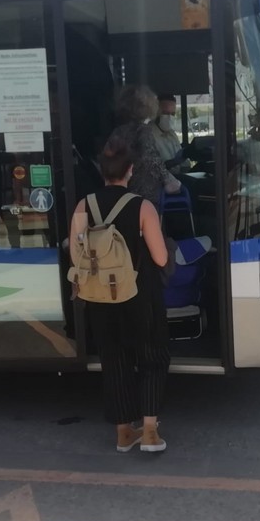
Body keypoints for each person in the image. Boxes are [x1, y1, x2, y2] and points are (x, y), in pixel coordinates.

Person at [69, 124, 171, 453]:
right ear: (130, 170)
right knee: (152, 357)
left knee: (114, 361)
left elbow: (76, 254)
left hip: (99, 296)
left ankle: (123, 434)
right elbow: (159, 256)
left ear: (102, 170)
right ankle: (151, 432)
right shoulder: (142, 207)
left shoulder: (83, 207)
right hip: (140, 295)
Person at [114, 84, 180, 205]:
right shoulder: (143, 131)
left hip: (123, 189)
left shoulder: (119, 131)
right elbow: (151, 158)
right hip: (144, 190)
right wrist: (169, 180)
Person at [151, 93, 191, 173]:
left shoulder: (172, 134)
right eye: (165, 113)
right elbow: (152, 168)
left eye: (172, 114)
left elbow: (184, 165)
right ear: (155, 112)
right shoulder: (148, 135)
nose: (169, 117)